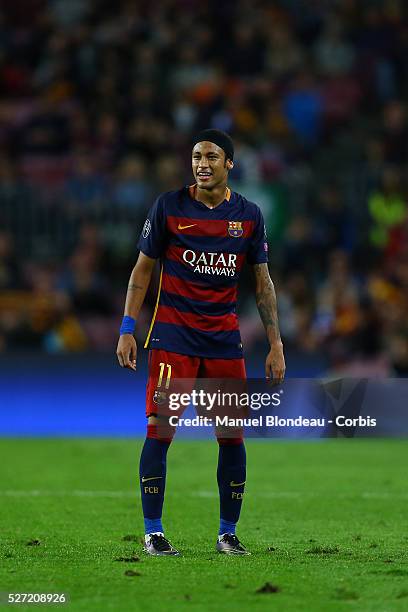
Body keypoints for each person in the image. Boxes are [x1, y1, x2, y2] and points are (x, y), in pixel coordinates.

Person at [116, 129, 285, 556]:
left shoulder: (249, 215)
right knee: (160, 431)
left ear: (230, 163)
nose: (201, 164)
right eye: (195, 156)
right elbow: (141, 271)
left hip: (224, 341)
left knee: (231, 437)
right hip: (173, 338)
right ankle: (153, 532)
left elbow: (262, 286)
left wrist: (276, 343)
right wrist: (126, 328)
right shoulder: (169, 206)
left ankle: (228, 534)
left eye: (211, 156)